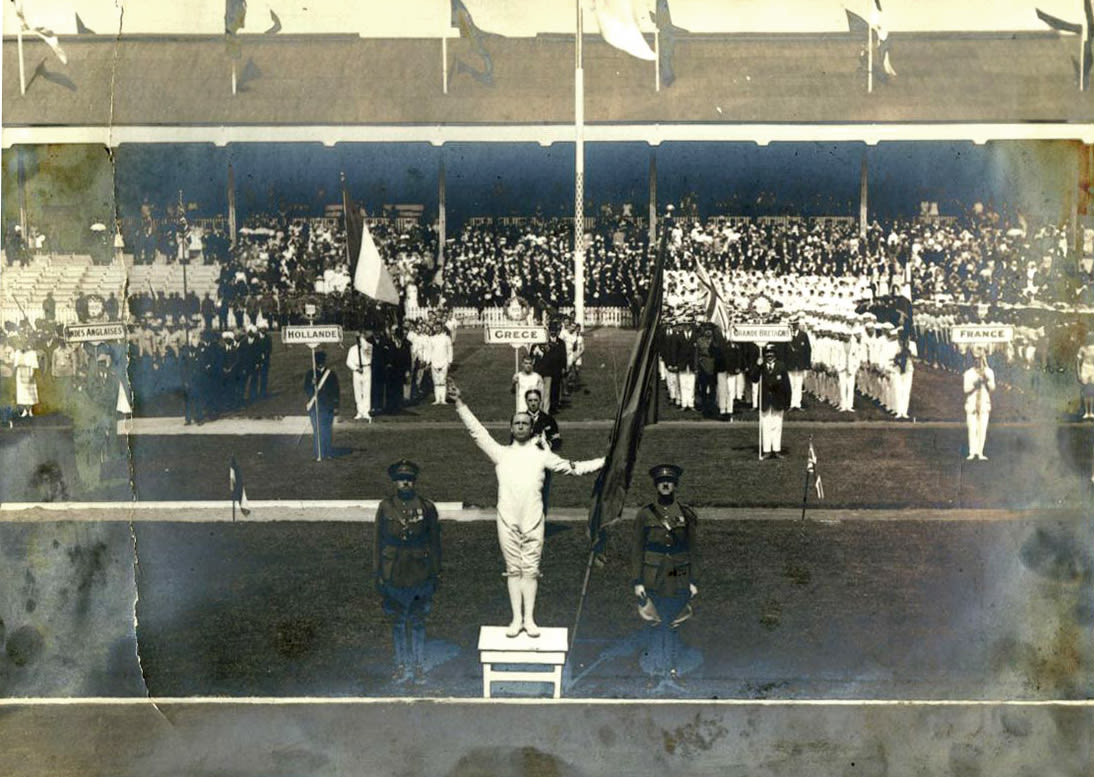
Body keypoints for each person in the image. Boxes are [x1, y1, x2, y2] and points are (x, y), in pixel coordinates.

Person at [449, 381, 603, 638]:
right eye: (516, 423)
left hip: (533, 519)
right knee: (513, 569)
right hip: (507, 519)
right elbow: (477, 432)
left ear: (532, 428)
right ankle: (516, 619)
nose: (520, 426)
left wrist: (603, 462)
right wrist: (459, 403)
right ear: (511, 428)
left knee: (531, 569)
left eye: (524, 423)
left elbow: (573, 467)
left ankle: (529, 620)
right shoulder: (500, 453)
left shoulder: (541, 455)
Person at [373, 459, 442, 685]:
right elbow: (378, 542)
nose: (405, 484)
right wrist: (379, 574)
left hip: (419, 571)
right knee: (398, 622)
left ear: (415, 482)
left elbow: (434, 543)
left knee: (419, 620)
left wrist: (435, 573)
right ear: (394, 482)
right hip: (393, 571)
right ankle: (401, 664)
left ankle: (419, 665)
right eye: (401, 480)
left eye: (409, 480)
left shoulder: (426, 507)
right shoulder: (385, 507)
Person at [631, 464, 698, 687]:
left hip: (678, 576)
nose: (666, 485)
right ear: (656, 486)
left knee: (675, 624)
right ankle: (654, 672)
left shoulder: (686, 514)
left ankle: (674, 671)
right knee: (655, 624)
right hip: (653, 577)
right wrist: (638, 581)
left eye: (669, 482)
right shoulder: (645, 514)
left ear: (675, 485)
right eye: (661, 482)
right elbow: (637, 549)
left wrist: (693, 581)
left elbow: (693, 548)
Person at [750, 343, 792, 459]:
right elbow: (753, 379)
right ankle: (767, 450)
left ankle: (776, 449)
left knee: (777, 425)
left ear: (775, 355)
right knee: (766, 425)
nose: (769, 356)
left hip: (778, 401)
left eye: (771, 354)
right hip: (765, 400)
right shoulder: (761, 365)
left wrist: (787, 402)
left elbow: (787, 386)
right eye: (767, 354)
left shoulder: (781, 366)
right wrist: (757, 366)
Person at [304, 350, 340, 461]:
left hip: (328, 406)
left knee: (327, 430)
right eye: (318, 361)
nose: (320, 363)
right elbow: (306, 389)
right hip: (315, 406)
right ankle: (318, 453)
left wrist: (336, 406)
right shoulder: (310, 374)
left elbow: (336, 390)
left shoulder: (331, 374)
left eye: (321, 361)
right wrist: (312, 383)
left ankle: (327, 452)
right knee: (317, 430)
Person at [963, 346, 995, 461]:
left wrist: (986, 381)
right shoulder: (968, 373)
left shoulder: (989, 372)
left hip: (984, 404)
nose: (977, 361)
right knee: (972, 428)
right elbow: (966, 389)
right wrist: (975, 384)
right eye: (975, 359)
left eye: (980, 359)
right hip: (972, 404)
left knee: (982, 428)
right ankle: (972, 452)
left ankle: (980, 452)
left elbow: (992, 388)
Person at [346, 330, 374, 421]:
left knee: (366, 391)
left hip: (366, 369)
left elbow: (366, 349)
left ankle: (366, 412)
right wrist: (356, 368)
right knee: (358, 392)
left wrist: (362, 339)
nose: (359, 340)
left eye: (361, 338)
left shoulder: (369, 347)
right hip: (357, 370)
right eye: (357, 338)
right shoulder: (352, 349)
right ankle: (359, 411)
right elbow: (348, 362)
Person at [1075, 333, 1094, 419]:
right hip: (1085, 369)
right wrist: (1078, 373)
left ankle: (1091, 412)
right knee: (1086, 391)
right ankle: (1086, 412)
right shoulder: (1082, 348)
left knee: (1092, 391)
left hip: (1093, 369)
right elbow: (1078, 362)